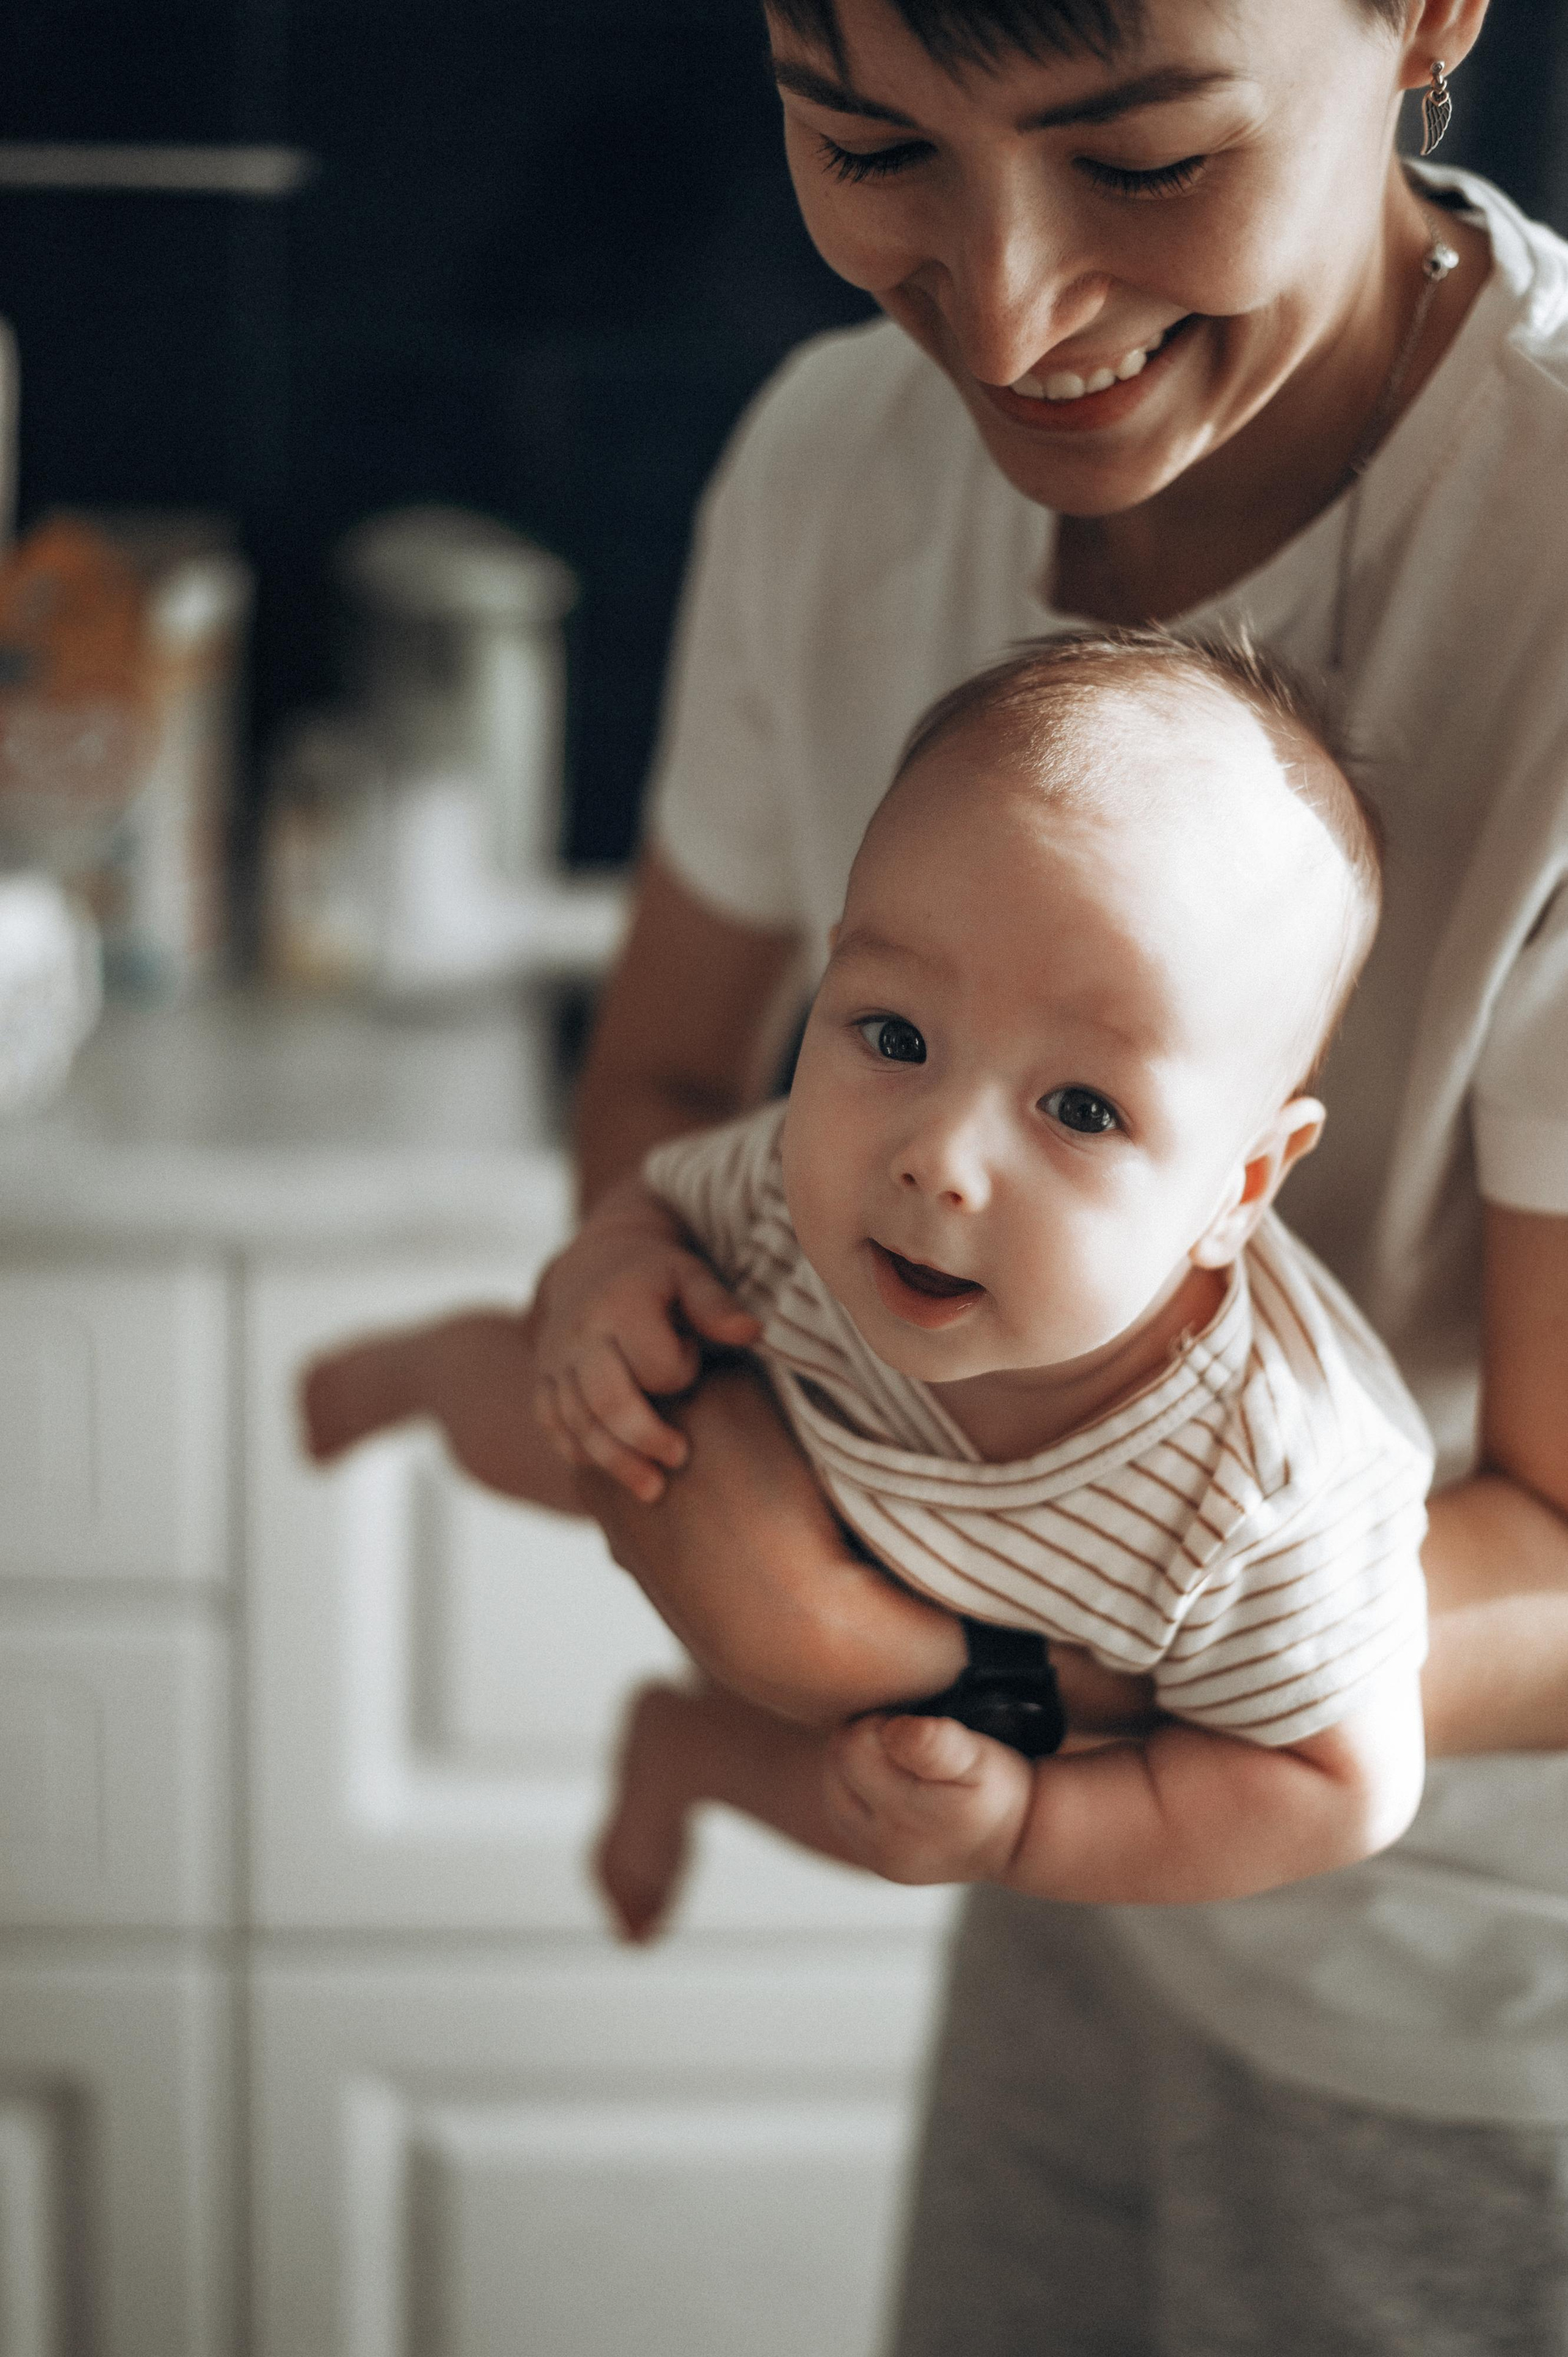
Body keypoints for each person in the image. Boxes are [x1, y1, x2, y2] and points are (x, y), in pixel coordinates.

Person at [305, 0, 1568, 2346]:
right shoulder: (830, 463)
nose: (1002, 313)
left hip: (1475, 2022)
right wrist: (661, 1376)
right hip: (1056, 1907)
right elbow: (666, 1082)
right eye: (868, 143)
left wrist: (878, 1632)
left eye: (1143, 158)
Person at [534, 630, 1431, 1939]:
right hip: (825, 1485)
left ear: (1237, 1189)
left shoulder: (1263, 1491)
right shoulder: (796, 1181)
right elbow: (656, 1200)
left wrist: (1026, 1827)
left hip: (1029, 1729)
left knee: (888, 1797)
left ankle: (690, 1756)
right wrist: (608, 1271)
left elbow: (1342, 1787)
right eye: (894, 1033)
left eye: (1081, 1108)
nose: (939, 1159)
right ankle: (390, 1382)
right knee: (530, 1385)